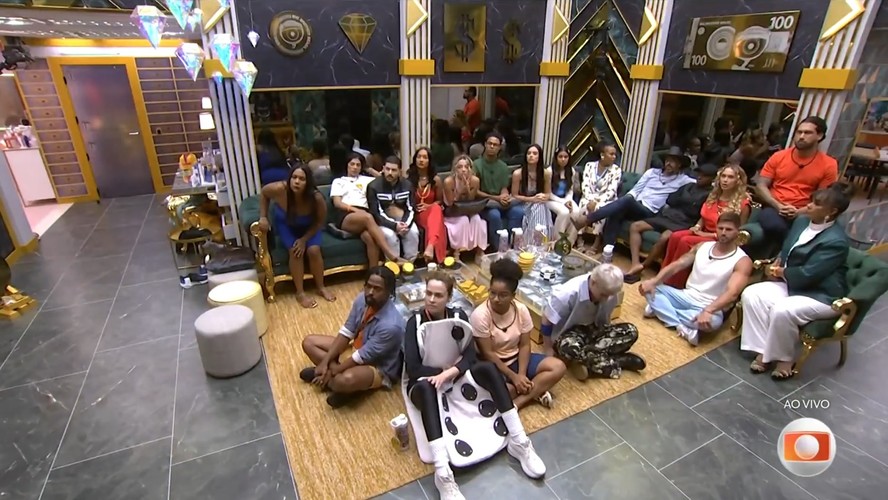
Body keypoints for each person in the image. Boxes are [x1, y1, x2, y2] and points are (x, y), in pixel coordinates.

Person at [405, 272, 545, 499]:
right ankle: (443, 473)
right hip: (425, 381)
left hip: (456, 376)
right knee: (427, 389)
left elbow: (471, 356)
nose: (431, 299)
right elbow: (412, 367)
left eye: (438, 295)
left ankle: (519, 441)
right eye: (428, 293)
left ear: (449, 297)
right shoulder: (414, 322)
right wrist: (439, 374)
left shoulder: (459, 316)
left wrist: (451, 372)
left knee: (488, 368)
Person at [741, 183, 853, 380]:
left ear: (832, 212)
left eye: (816, 204)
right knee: (752, 294)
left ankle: (784, 359)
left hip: (822, 294)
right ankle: (764, 351)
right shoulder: (801, 222)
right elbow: (787, 248)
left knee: (783, 310)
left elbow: (810, 274)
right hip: (793, 284)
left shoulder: (836, 241)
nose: (808, 205)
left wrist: (780, 272)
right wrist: (778, 261)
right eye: (811, 201)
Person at [640, 212, 752, 346]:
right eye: (720, 228)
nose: (723, 233)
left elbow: (732, 293)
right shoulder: (702, 246)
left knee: (713, 322)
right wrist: (653, 281)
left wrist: (708, 310)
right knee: (650, 288)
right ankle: (681, 326)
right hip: (684, 296)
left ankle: (661, 310)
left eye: (728, 230)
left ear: (737, 232)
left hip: (709, 306)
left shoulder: (742, 261)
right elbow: (677, 265)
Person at [300, 267, 405, 408]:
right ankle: (333, 380)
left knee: (344, 380)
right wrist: (325, 362)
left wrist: (331, 371)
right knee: (309, 343)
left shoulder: (391, 325)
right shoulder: (362, 299)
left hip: (377, 365)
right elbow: (347, 331)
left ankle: (338, 385)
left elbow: (362, 356)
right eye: (368, 286)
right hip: (356, 347)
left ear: (389, 292)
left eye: (377, 289)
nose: (370, 292)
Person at [471, 258, 566, 409]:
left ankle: (518, 403)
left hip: (517, 359)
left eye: (503, 295)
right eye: (492, 293)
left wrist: (521, 374)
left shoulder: (521, 310)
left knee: (558, 367)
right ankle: (536, 389)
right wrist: (513, 377)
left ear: (513, 296)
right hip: (495, 365)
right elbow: (488, 354)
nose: (496, 299)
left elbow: (524, 345)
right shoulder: (480, 315)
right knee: (500, 394)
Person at [574, 152, 695, 250]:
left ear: (679, 165)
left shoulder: (683, 180)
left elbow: (699, 181)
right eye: (667, 160)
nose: (668, 163)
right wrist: (628, 199)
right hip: (635, 205)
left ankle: (588, 219)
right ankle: (607, 251)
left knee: (626, 202)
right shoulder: (652, 172)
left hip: (649, 211)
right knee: (618, 210)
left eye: (673, 161)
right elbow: (636, 190)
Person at [539, 263, 643, 375]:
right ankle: (619, 361)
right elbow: (546, 320)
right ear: (593, 282)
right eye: (603, 295)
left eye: (610, 295)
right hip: (569, 335)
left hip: (594, 329)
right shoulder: (566, 293)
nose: (607, 299)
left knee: (631, 331)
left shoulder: (609, 293)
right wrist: (548, 348)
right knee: (569, 349)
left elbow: (605, 322)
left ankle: (591, 361)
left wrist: (605, 336)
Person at [623, 163, 719, 283]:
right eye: (699, 174)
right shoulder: (688, 185)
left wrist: (682, 201)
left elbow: (695, 212)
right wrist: (687, 203)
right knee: (635, 226)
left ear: (712, 179)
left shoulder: (710, 194)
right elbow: (670, 199)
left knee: (664, 237)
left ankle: (644, 266)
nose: (700, 177)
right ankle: (635, 263)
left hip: (684, 222)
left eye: (704, 176)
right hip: (668, 216)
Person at [661, 163, 751, 288]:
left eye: (730, 177)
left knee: (685, 241)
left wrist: (707, 234)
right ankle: (664, 274)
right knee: (675, 236)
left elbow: (737, 232)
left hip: (720, 239)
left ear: (738, 181)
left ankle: (674, 283)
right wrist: (697, 226)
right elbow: (703, 217)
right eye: (723, 176)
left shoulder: (743, 204)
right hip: (702, 232)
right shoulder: (714, 196)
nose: (725, 180)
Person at [257, 164, 335, 308]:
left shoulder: (316, 198)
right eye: (294, 177)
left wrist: (304, 240)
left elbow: (320, 222)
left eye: (302, 179)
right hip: (286, 225)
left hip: (309, 227)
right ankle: (300, 293)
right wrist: (263, 216)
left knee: (314, 250)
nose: (297, 182)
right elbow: (264, 193)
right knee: (295, 251)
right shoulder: (279, 189)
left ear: (308, 182)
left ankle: (321, 287)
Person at [754, 116, 838, 249]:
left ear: (820, 136)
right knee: (774, 224)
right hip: (774, 207)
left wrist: (799, 211)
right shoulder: (779, 156)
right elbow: (761, 185)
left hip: (805, 212)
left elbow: (824, 198)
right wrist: (778, 205)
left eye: (807, 133)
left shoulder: (829, 164)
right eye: (799, 132)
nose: (801, 136)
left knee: (803, 226)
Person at [330, 153, 401, 265]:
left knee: (370, 238)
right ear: (347, 165)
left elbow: (384, 178)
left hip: (364, 215)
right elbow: (337, 203)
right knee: (368, 217)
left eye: (358, 165)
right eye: (352, 164)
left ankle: (373, 271)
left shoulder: (366, 180)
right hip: (346, 214)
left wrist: (369, 169)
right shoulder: (339, 181)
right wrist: (355, 210)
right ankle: (390, 253)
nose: (354, 167)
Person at [475, 132, 524, 249]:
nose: (492, 146)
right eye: (490, 143)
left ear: (499, 148)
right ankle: (500, 248)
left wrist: (505, 196)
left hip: (500, 202)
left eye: (495, 145)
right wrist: (497, 198)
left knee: (518, 211)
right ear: (485, 145)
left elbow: (504, 187)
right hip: (485, 203)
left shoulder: (503, 166)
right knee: (494, 214)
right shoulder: (476, 164)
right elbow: (476, 192)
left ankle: (513, 245)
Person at [368, 156, 420, 261]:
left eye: (394, 170)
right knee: (391, 236)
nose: (390, 173)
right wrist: (394, 226)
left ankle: (409, 264)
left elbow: (411, 208)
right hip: (383, 222)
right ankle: (393, 266)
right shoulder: (373, 186)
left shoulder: (407, 185)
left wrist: (405, 224)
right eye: (387, 169)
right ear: (383, 168)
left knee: (413, 233)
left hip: (403, 220)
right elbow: (376, 213)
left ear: (400, 171)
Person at [577, 140, 622, 252]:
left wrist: (596, 202)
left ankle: (596, 242)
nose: (614, 157)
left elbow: (611, 191)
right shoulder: (589, 166)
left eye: (615, 154)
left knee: (601, 209)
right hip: (589, 197)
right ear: (602, 155)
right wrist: (591, 200)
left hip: (607, 199)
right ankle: (579, 238)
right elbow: (585, 186)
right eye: (611, 154)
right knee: (583, 204)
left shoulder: (616, 170)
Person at [442, 155, 488, 259]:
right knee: (463, 220)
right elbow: (450, 203)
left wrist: (468, 190)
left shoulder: (475, 180)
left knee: (476, 219)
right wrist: (460, 191)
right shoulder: (449, 181)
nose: (463, 170)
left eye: (466, 167)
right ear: (455, 169)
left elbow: (471, 200)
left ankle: (479, 252)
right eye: (460, 167)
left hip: (467, 209)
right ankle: (457, 253)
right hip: (452, 211)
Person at [408, 147, 446, 262]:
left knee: (436, 208)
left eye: (425, 157)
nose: (421, 160)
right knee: (436, 211)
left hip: (431, 212)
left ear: (429, 161)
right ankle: (431, 247)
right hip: (417, 213)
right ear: (415, 160)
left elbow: (440, 200)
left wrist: (429, 206)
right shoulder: (409, 180)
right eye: (419, 157)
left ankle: (430, 246)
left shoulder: (436, 180)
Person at [511, 144, 553, 238]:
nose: (531, 155)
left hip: (538, 202)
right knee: (539, 206)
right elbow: (514, 195)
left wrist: (544, 197)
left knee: (540, 206)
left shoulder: (545, 173)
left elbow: (548, 193)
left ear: (539, 157)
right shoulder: (518, 173)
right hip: (522, 202)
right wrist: (532, 199)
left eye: (534, 153)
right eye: (529, 153)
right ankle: (539, 238)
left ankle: (536, 238)